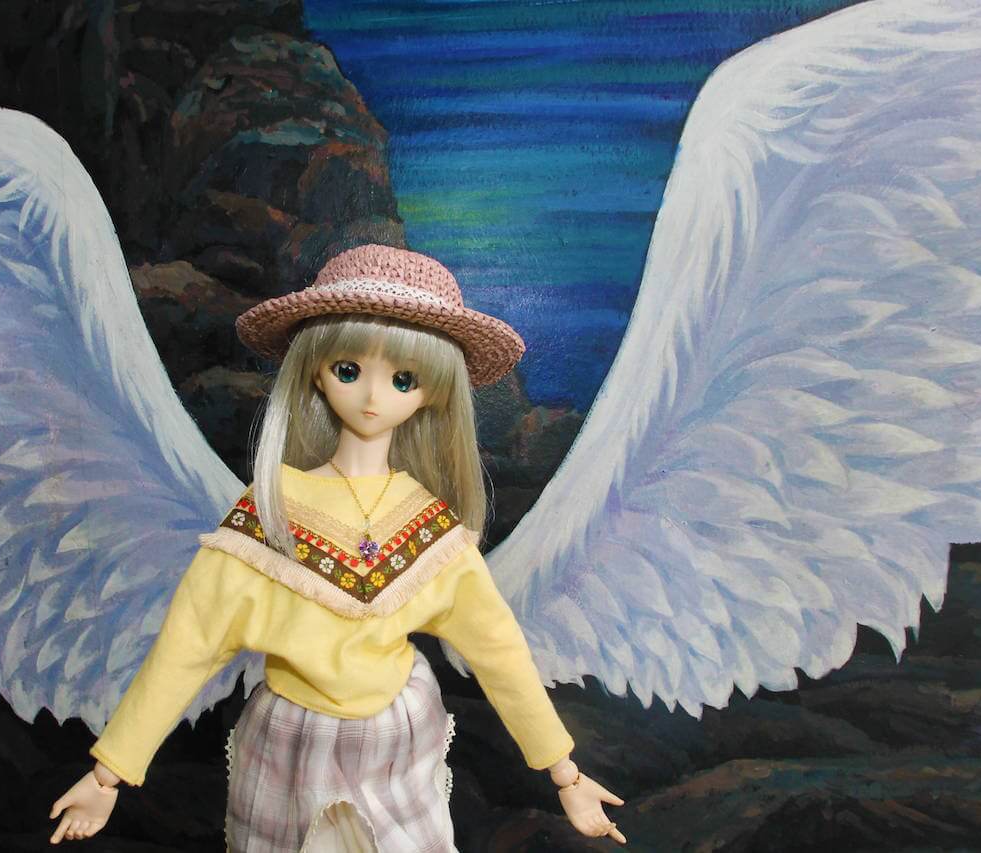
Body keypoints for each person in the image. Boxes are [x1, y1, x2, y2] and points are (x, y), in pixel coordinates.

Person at [48, 244, 627, 849]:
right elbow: (189, 644)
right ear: (316, 371)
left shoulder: (428, 526)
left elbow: (498, 649)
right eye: (349, 370)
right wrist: (109, 772)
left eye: (403, 379)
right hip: (291, 737)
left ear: (432, 393)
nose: (374, 397)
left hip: (399, 735)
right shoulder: (271, 512)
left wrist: (565, 772)